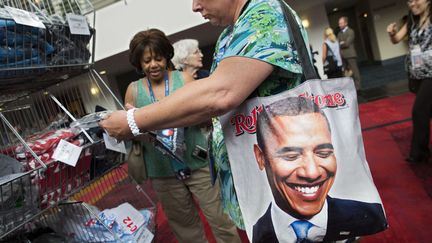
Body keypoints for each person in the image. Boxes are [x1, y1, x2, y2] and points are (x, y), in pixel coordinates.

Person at [100, 0, 310, 232]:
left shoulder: (264, 16)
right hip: (264, 172)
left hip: (290, 171)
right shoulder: (230, 33)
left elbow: (220, 95)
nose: (195, 6)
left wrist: (134, 120)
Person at [124, 29, 240, 243]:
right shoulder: (133, 90)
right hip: (162, 171)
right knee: (186, 231)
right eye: (146, 60)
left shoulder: (184, 79)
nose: (153, 65)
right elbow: (131, 131)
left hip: (197, 162)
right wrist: (145, 130)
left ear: (167, 56)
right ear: (139, 63)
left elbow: (204, 114)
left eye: (158, 58)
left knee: (221, 220)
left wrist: (164, 121)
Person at [251, 97, 387, 243]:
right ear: (261, 157)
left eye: (323, 153)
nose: (312, 173)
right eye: (291, 156)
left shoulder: (365, 215)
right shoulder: (257, 231)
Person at [172, 38, 245, 229]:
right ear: (185, 59)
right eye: (196, 52)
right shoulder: (174, 84)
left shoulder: (208, 76)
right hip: (192, 149)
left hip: (219, 137)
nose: (201, 54)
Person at [387, 0, 432, 163]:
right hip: (418, 72)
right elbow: (397, 38)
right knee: (427, 111)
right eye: (409, 1)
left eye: (415, 0)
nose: (412, 4)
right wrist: (392, 33)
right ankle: (423, 151)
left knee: (419, 110)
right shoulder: (412, 21)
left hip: (431, 73)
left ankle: (419, 152)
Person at [338, 16, 361, 90]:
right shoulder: (339, 34)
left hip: (350, 55)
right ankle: (349, 88)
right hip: (343, 55)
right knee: (345, 73)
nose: (340, 25)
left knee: (354, 71)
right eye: (339, 23)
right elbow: (339, 44)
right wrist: (342, 43)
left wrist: (342, 43)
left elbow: (347, 43)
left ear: (346, 23)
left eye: (341, 23)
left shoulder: (350, 31)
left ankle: (358, 87)